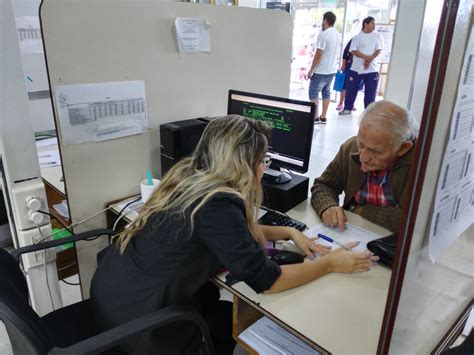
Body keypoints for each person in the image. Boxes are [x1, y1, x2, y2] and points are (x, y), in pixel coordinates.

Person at [91, 115, 378, 354]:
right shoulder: (218, 203)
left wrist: (289, 231)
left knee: (221, 310)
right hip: (143, 326)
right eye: (263, 159)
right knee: (240, 334)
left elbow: (226, 233)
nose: (265, 167)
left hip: (114, 296)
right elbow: (269, 282)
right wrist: (329, 263)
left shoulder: (190, 177)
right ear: (244, 164)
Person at [312, 100, 418, 232]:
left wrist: (360, 209)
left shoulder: (419, 166)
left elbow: (404, 220)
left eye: (376, 152)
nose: (363, 157)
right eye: (361, 144)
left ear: (403, 148)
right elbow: (323, 185)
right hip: (352, 232)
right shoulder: (351, 147)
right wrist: (328, 206)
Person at [339, 17, 384, 115]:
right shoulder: (357, 37)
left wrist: (369, 60)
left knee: (370, 93)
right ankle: (347, 108)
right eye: (372, 23)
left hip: (371, 69)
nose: (374, 25)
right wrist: (366, 58)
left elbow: (379, 50)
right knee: (351, 90)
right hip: (356, 68)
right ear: (365, 24)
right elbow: (353, 50)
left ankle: (369, 112)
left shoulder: (377, 36)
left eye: (374, 23)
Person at [305, 11, 341, 124]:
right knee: (326, 92)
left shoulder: (324, 35)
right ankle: (323, 117)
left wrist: (311, 70)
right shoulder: (338, 34)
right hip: (332, 70)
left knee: (313, 93)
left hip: (321, 70)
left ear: (325, 21)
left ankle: (315, 117)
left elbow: (318, 54)